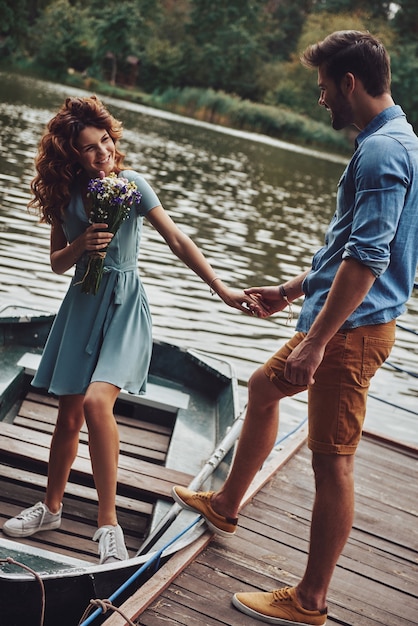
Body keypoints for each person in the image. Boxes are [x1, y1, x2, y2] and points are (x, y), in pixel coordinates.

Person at [172, 30, 418, 625]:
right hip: (340, 319)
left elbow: (367, 260)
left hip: (349, 332)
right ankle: (228, 503)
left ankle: (310, 600)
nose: (321, 100)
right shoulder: (393, 138)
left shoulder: (385, 151)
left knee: (332, 460)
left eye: (323, 88)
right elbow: (348, 250)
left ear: (349, 83)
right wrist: (291, 290)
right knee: (263, 386)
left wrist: (316, 341)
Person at [2, 95, 255, 564]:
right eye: (90, 148)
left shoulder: (132, 186)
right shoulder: (65, 195)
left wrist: (222, 289)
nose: (104, 154)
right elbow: (57, 263)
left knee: (98, 403)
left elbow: (178, 239)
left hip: (123, 307)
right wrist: (81, 244)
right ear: (71, 155)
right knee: (68, 415)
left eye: (106, 142)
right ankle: (51, 508)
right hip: (80, 305)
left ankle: (107, 523)